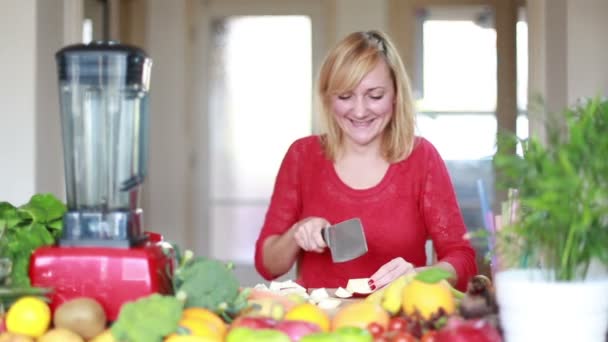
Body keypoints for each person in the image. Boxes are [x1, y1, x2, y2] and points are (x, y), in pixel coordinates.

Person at [254, 30, 477, 292]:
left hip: (395, 324)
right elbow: (267, 265)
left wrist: (419, 275)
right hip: (320, 324)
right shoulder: (302, 156)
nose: (360, 111)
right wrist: (298, 232)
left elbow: (463, 260)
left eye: (375, 95)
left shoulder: (421, 157)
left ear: (396, 95)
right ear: (328, 98)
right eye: (345, 97)